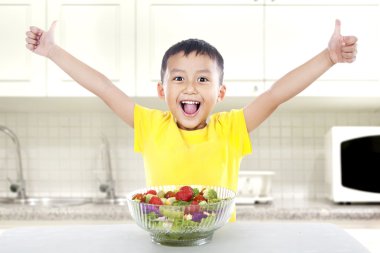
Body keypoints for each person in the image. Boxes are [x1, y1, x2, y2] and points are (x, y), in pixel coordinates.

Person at [25, 20, 357, 220]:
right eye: (179, 78)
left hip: (220, 243)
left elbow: (275, 94)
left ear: (221, 92)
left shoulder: (230, 129)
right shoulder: (152, 126)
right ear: (161, 89)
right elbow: (105, 88)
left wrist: (328, 57)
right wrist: (53, 52)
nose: (190, 88)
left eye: (202, 80)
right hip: (163, 243)